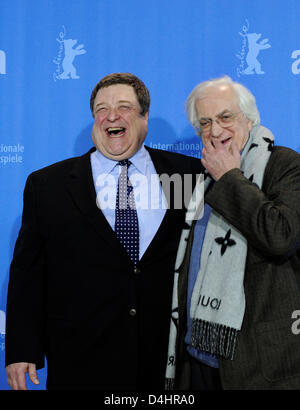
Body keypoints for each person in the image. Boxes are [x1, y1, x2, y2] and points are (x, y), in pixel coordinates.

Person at [5, 72, 202, 390]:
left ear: (144, 116)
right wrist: (21, 349)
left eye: (124, 106)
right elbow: (28, 273)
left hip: (169, 361)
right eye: (101, 108)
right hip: (82, 359)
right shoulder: (48, 185)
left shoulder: (189, 176)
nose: (111, 115)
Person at [165, 75, 300, 390]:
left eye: (225, 117)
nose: (215, 130)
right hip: (200, 358)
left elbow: (281, 237)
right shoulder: (202, 182)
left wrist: (230, 176)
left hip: (263, 362)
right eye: (205, 122)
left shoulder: (285, 164)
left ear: (250, 118)